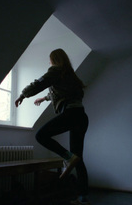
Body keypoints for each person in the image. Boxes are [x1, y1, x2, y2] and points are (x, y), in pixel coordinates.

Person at [15, 48, 90, 205]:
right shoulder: (70, 75)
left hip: (70, 113)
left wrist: (23, 94)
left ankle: (67, 158)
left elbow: (40, 83)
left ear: (54, 59)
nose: (48, 62)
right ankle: (83, 198)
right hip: (81, 117)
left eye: (50, 59)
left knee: (40, 136)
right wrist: (44, 98)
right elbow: (58, 91)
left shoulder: (56, 70)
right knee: (78, 159)